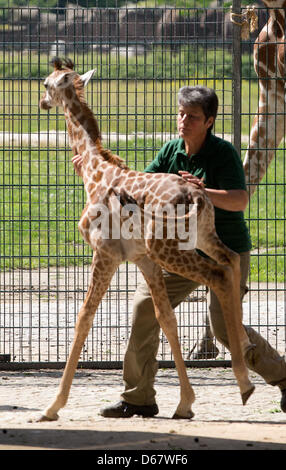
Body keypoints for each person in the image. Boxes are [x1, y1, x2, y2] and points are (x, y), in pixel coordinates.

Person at [72, 85, 286, 418]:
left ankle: (283, 376)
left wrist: (201, 191)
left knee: (223, 329)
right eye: (181, 113)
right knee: (144, 308)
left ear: (209, 121)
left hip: (223, 250)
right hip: (175, 248)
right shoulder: (171, 151)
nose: (183, 121)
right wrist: (89, 166)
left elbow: (240, 200)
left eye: (193, 117)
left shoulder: (223, 153)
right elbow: (138, 188)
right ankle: (138, 397)